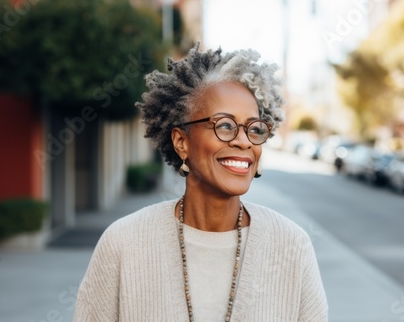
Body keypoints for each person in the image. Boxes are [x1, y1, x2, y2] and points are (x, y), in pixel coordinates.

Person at [73, 43, 328, 322]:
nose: (243, 141)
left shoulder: (291, 246)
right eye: (225, 125)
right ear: (182, 142)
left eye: (254, 129)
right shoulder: (124, 243)